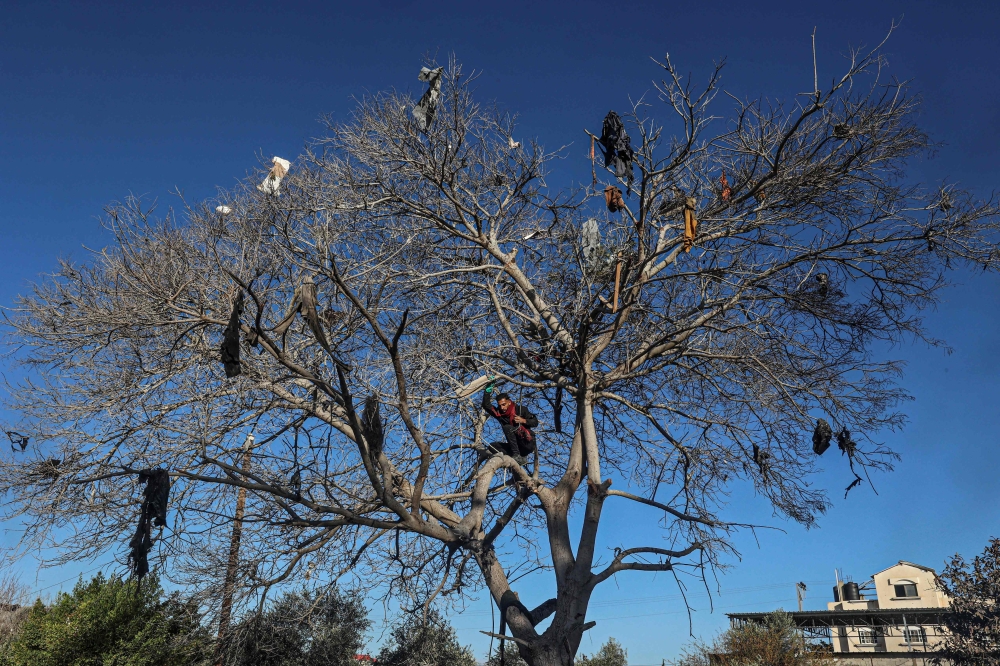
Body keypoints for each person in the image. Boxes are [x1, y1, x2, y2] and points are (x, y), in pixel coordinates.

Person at [481, 390, 538, 466]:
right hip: (515, 446)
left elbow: (535, 422)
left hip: (527, 443)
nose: (502, 407)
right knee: (492, 447)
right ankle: (516, 458)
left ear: (509, 402)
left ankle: (517, 456)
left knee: (507, 427)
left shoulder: (520, 410)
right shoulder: (499, 414)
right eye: (500, 405)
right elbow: (486, 405)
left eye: (504, 404)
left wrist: (523, 420)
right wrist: (487, 391)